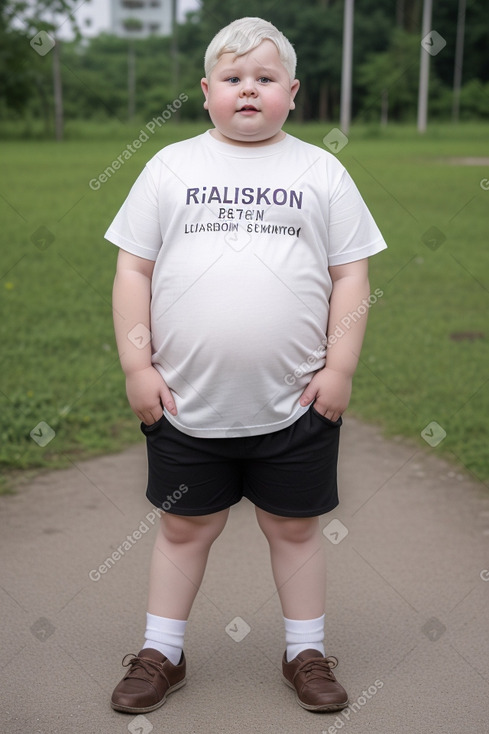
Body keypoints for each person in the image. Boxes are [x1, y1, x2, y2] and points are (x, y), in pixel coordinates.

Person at [105, 16, 387, 715]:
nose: (248, 90)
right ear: (207, 92)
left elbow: (351, 275)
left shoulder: (320, 171)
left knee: (293, 529)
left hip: (295, 403)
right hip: (184, 402)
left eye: (264, 79)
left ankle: (306, 652)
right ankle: (161, 651)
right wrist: (139, 369)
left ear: (292, 92)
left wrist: (340, 367)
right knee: (182, 528)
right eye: (233, 79)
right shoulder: (170, 166)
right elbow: (132, 270)